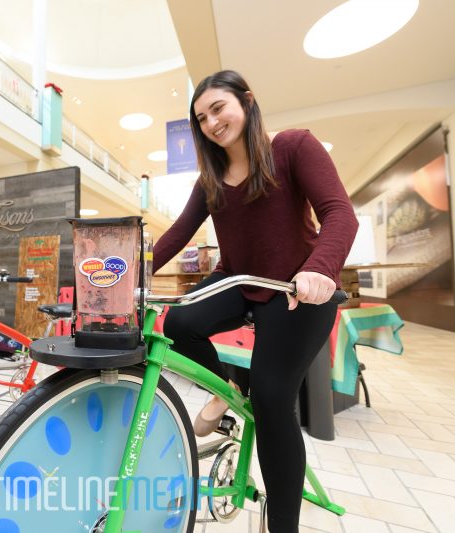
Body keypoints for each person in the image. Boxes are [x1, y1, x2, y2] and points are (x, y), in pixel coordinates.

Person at [153, 70, 357, 533]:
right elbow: (176, 236)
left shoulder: (292, 147)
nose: (211, 122)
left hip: (296, 291)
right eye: (201, 117)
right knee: (179, 324)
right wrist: (128, 271)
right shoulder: (210, 179)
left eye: (218, 108)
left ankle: (283, 524)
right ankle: (229, 391)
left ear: (247, 101)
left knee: (272, 399)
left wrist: (320, 269)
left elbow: (339, 213)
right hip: (239, 281)